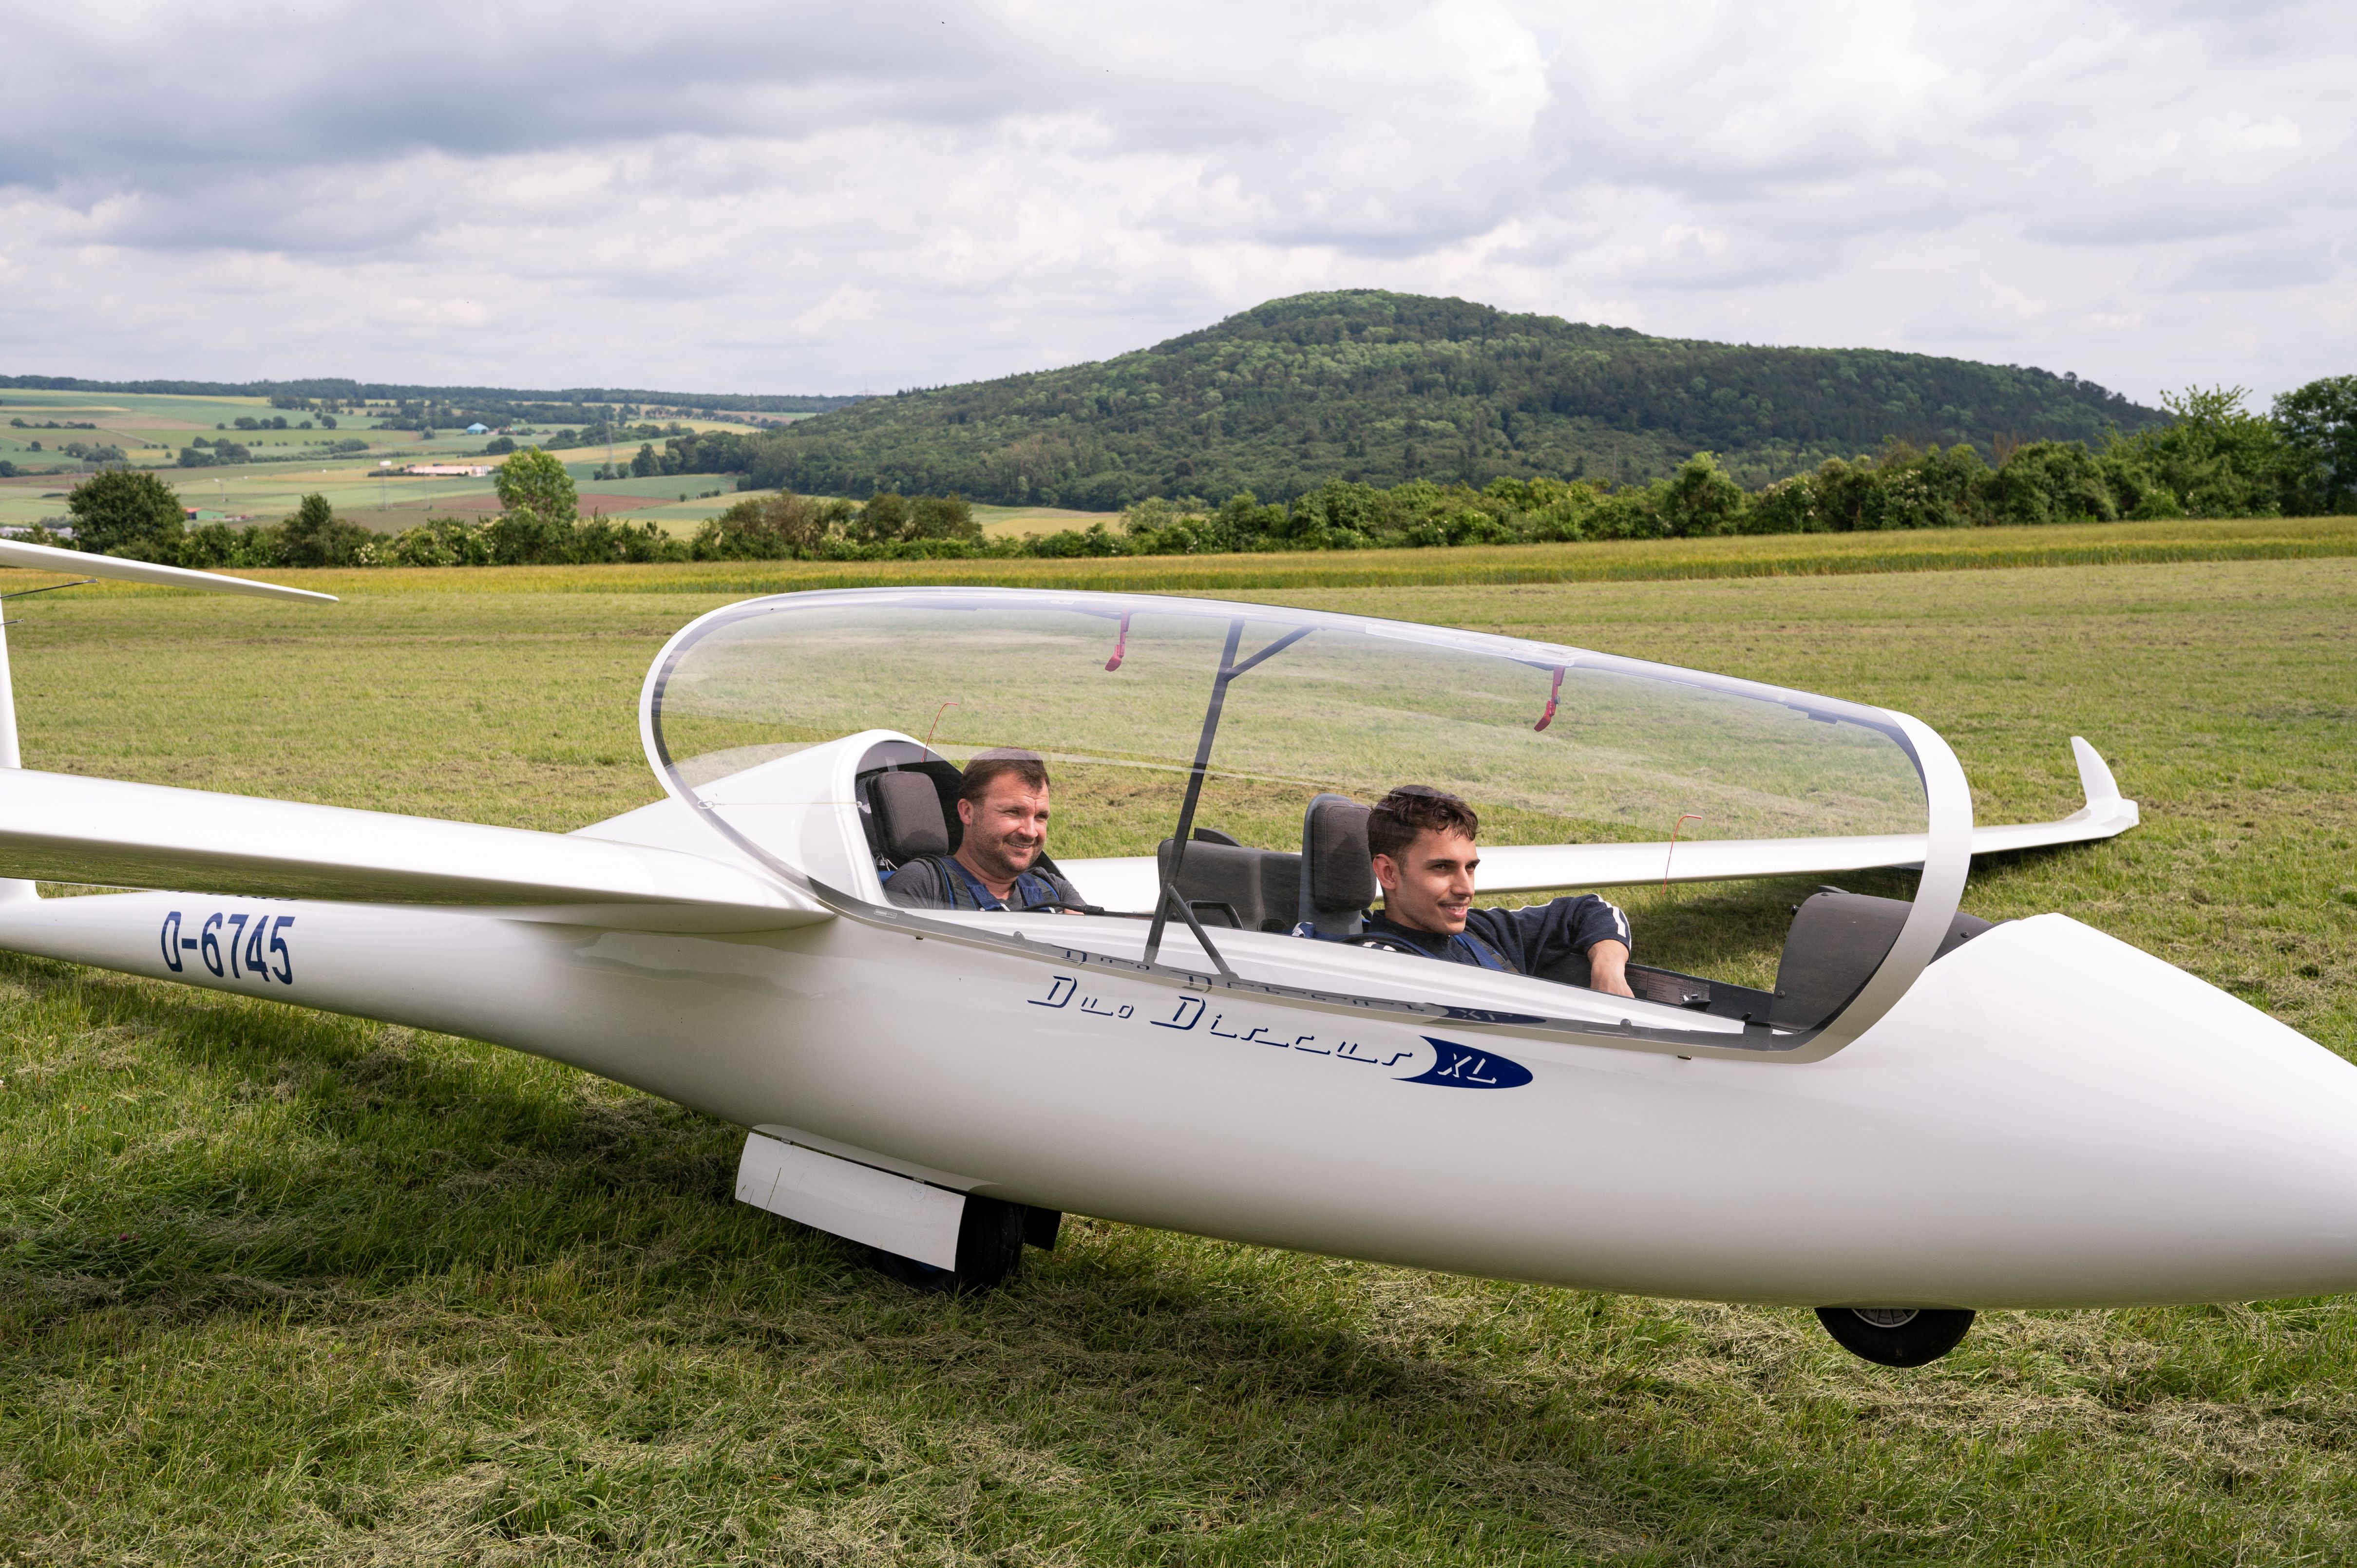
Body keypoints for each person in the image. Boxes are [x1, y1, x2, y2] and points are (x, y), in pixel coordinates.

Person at [1353, 786, 1635, 998]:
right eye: (1441, 867)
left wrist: (1607, 971)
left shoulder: (1479, 932)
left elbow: (1590, 910)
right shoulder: (1382, 971)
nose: (1466, 889)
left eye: (1470, 868)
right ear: (1388, 873)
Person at [883, 749, 1083, 913]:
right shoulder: (925, 886)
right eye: (1014, 812)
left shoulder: (1055, 893)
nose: (1030, 832)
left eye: (1040, 817)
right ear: (968, 812)